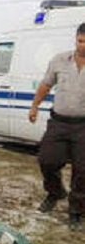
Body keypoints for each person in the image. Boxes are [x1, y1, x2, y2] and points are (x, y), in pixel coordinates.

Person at [29, 23, 85, 231]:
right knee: (47, 160)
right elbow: (45, 85)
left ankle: (76, 211)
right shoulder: (60, 60)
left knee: (82, 171)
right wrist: (34, 106)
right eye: (80, 41)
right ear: (76, 39)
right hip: (59, 122)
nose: (83, 46)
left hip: (83, 126)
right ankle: (55, 192)